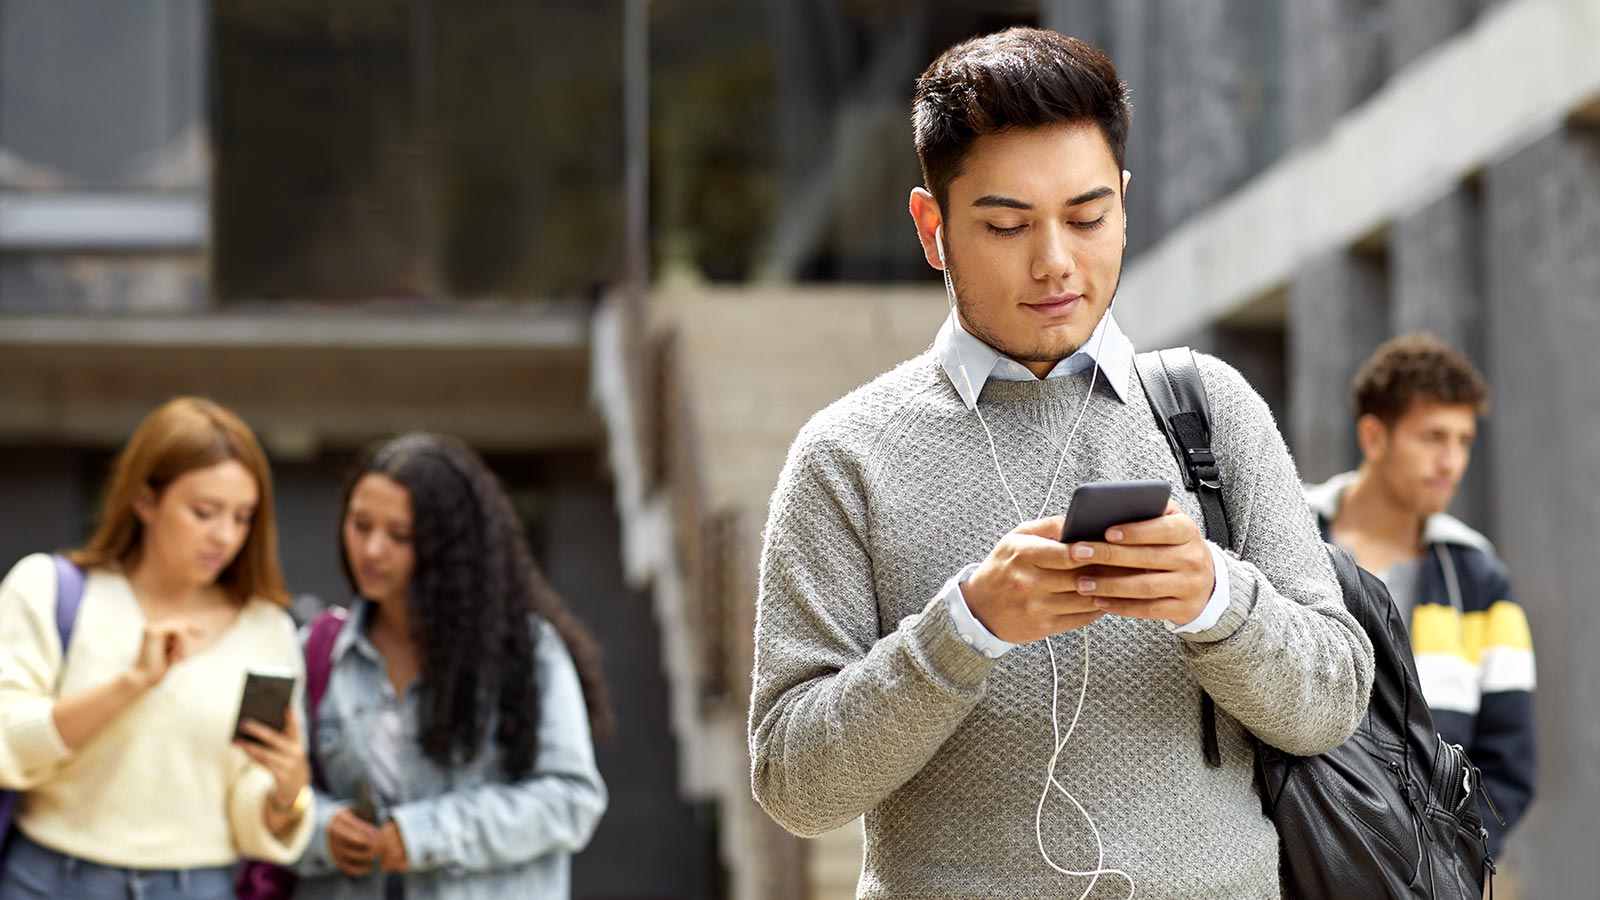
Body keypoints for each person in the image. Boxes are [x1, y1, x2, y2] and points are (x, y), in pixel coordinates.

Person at [747, 27, 1375, 898]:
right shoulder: (846, 457)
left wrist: (1214, 598)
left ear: (1124, 203)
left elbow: (1334, 701)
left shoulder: (1212, 411)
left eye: (1087, 219)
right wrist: (964, 628)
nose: (1055, 263)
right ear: (932, 228)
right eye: (1006, 225)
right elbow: (794, 784)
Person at [0, 397, 313, 900]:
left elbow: (247, 807)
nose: (225, 536)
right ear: (144, 500)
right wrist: (131, 684)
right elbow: (7, 746)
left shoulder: (267, 628)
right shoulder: (50, 590)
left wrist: (287, 791)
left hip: (199, 885)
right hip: (48, 880)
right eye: (204, 512)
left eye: (243, 517)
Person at [293, 433, 610, 900]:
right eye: (360, 525)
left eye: (400, 536)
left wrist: (425, 834)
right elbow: (273, 798)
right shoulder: (318, 651)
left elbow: (570, 800)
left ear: (449, 547)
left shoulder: (524, 651)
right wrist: (323, 829)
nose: (372, 549)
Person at [1305, 332, 1535, 856]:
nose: (1451, 462)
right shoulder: (1289, 538)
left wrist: (1448, 861)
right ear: (1374, 437)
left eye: (1463, 440)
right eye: (1433, 437)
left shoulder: (1479, 578)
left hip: (1423, 872)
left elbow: (1509, 765)